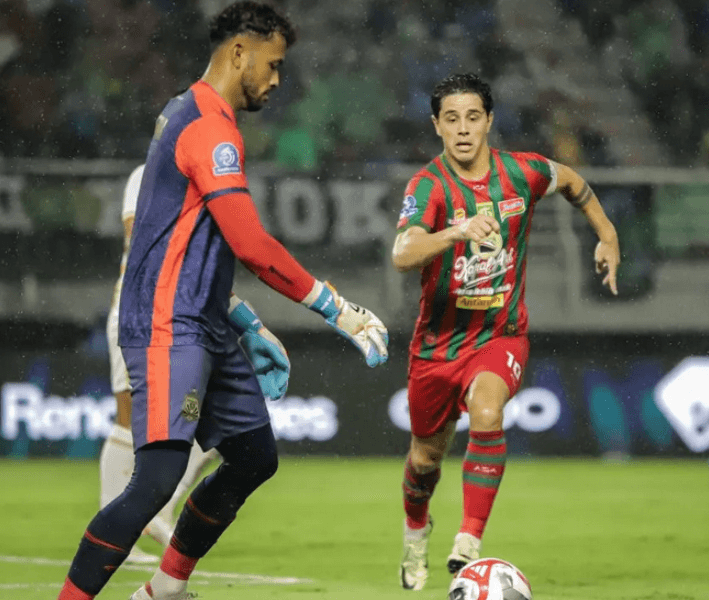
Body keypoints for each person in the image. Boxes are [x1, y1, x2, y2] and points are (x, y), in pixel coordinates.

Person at [57, 4, 389, 600]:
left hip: (204, 319)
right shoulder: (207, 129)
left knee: (253, 456)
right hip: (168, 323)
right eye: (274, 63)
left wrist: (244, 320)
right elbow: (249, 243)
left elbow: (189, 242)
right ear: (240, 52)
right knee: (156, 479)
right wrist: (336, 307)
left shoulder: (196, 115)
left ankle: (164, 590)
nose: (278, 79)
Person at [392, 73, 620, 590]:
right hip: (436, 348)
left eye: (473, 117)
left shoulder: (522, 172)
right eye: (451, 119)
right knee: (425, 459)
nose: (464, 129)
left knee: (488, 412)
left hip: (501, 334)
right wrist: (454, 230)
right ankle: (415, 529)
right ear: (437, 127)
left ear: (489, 121)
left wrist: (607, 233)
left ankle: (469, 539)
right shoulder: (427, 186)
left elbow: (573, 183)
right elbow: (402, 253)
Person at [101, 165, 291, 564]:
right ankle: (122, 525)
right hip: (143, 314)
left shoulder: (207, 179)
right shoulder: (150, 174)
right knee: (129, 417)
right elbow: (144, 242)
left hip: (188, 317)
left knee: (214, 421)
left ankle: (154, 514)